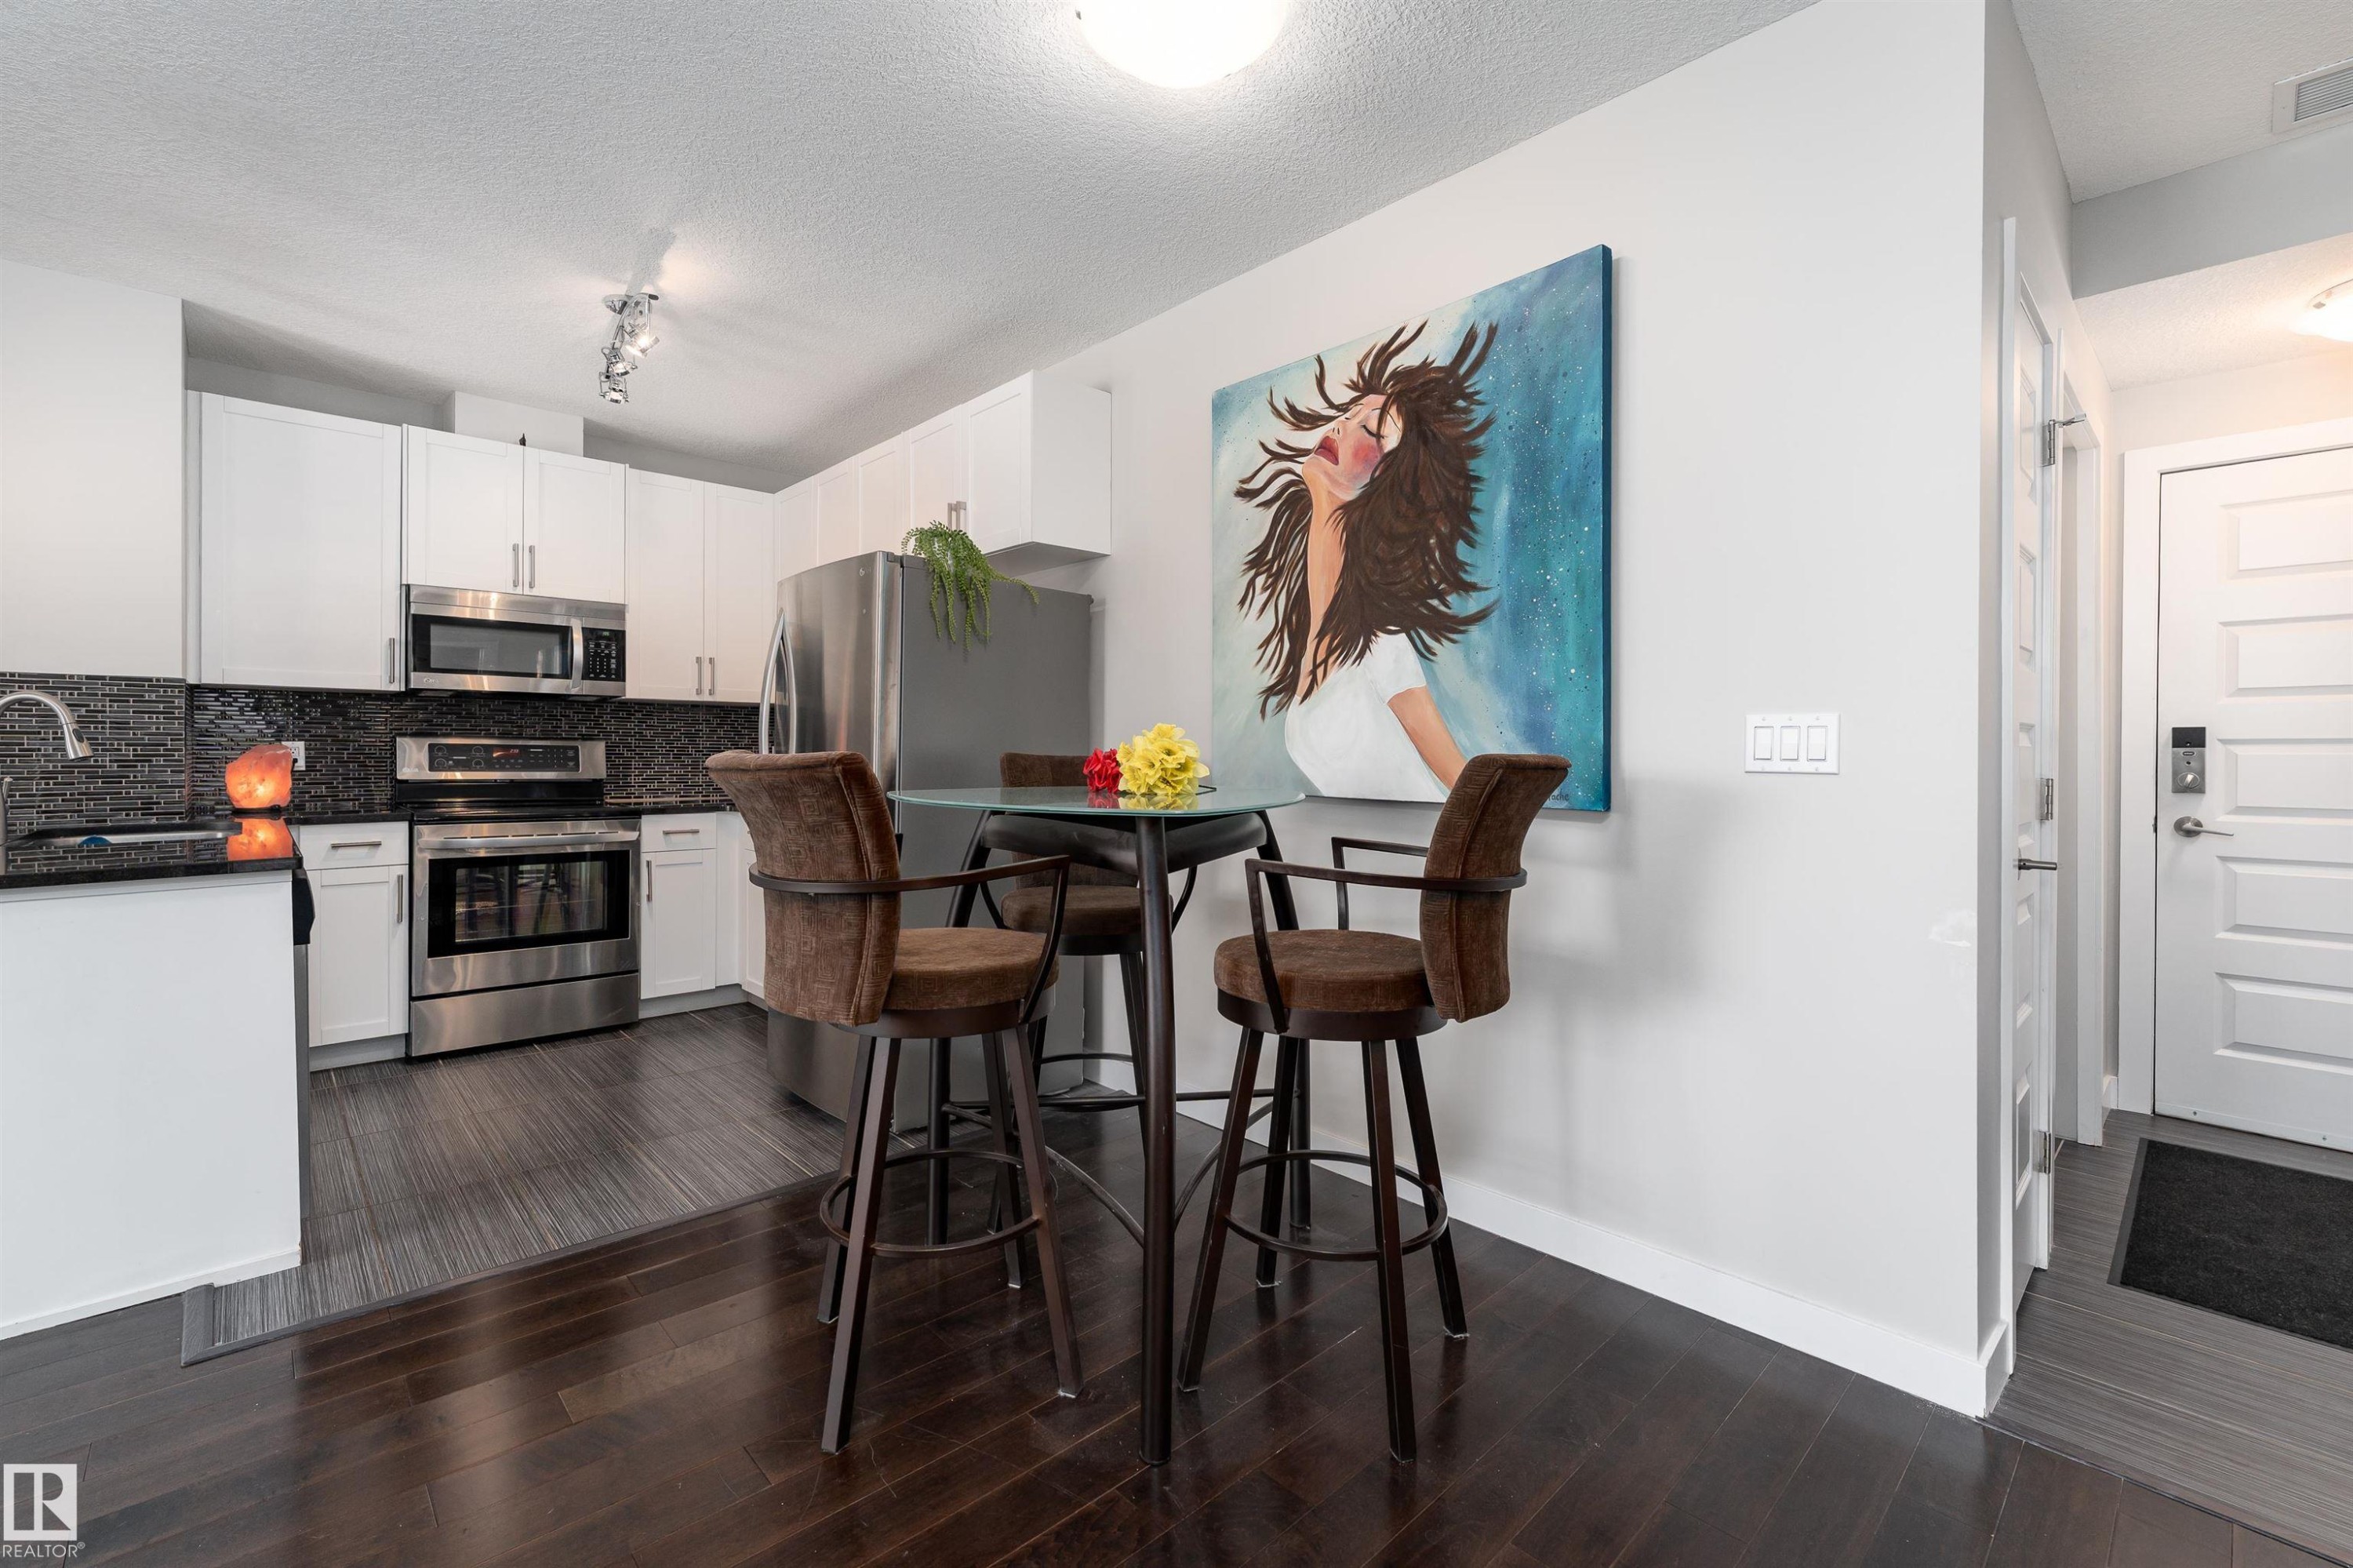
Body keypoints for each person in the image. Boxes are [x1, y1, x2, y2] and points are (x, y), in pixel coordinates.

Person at [1234, 318, 1493, 800]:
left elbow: (1468, 790)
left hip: (1421, 869)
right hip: (1374, 861)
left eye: (1371, 432)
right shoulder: (1316, 637)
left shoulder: (1383, 648)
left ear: (1389, 486)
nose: (1340, 426)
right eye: (1350, 414)